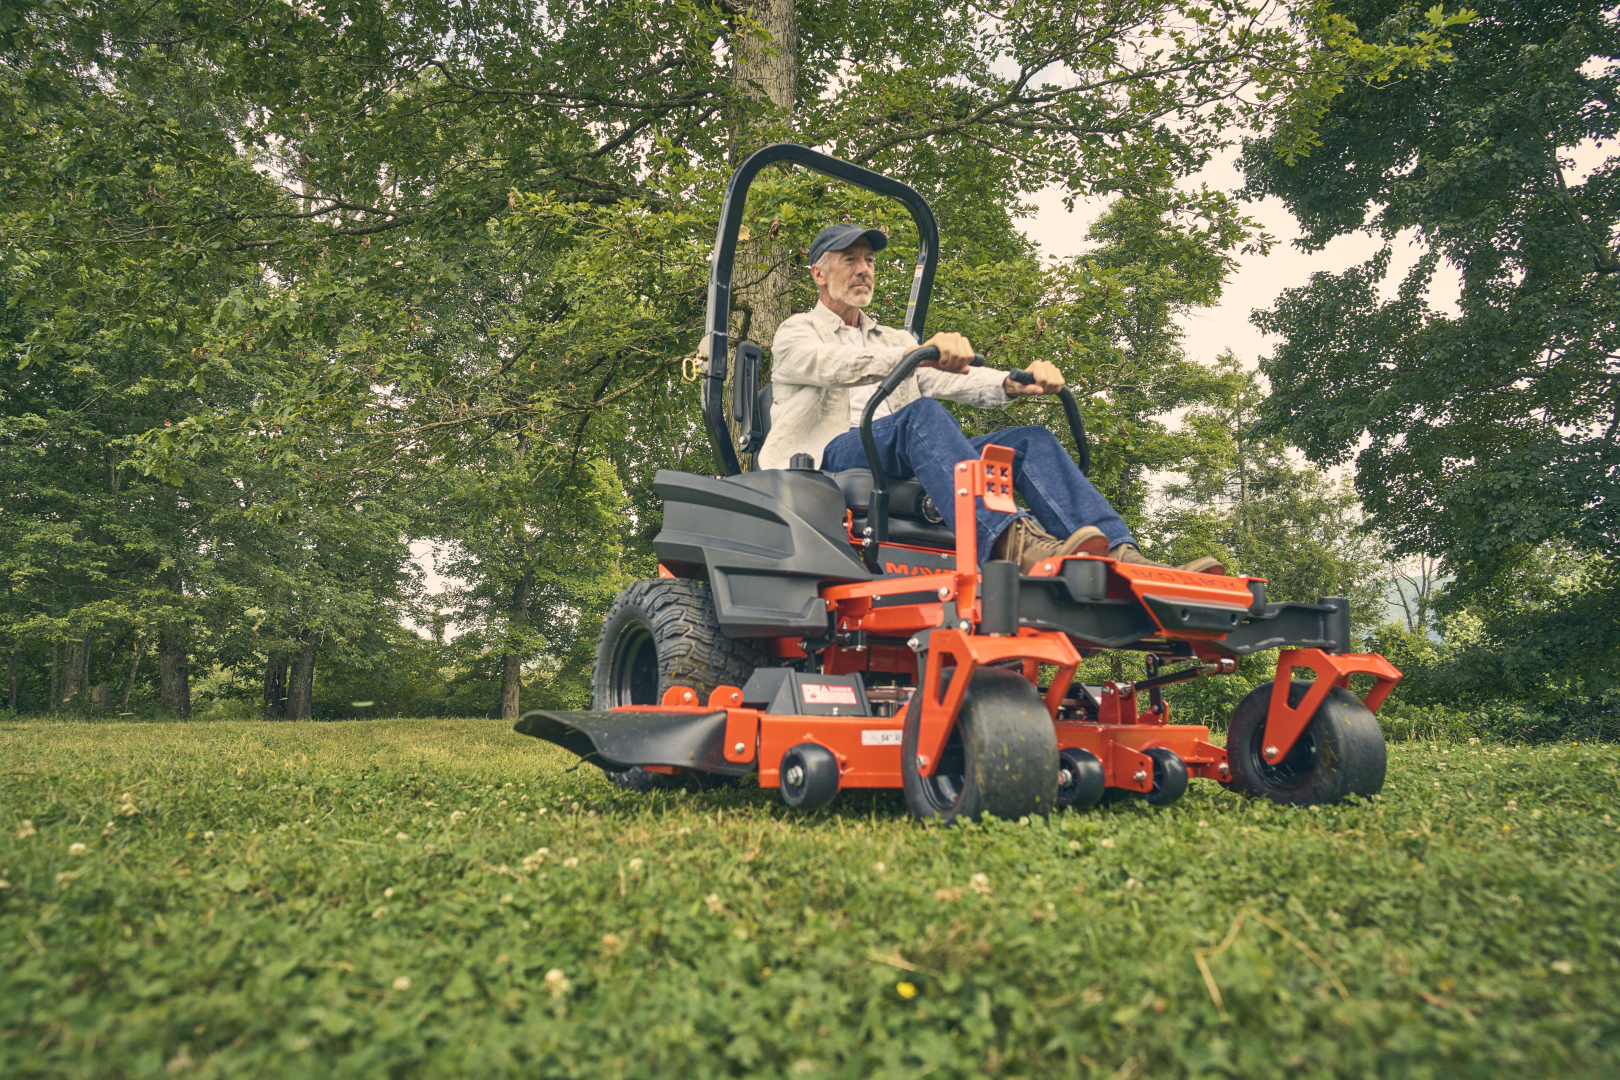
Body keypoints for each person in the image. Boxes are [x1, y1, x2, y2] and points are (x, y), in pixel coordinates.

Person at [758, 223, 1222, 576]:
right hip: (829, 458)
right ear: (819, 272)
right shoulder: (798, 331)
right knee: (920, 416)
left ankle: (1124, 557)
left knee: (1029, 441)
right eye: (849, 259)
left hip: (896, 452)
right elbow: (822, 363)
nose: (864, 269)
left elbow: (951, 380)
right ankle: (1013, 544)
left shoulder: (893, 337)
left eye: (870, 261)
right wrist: (910, 355)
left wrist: (1012, 383)